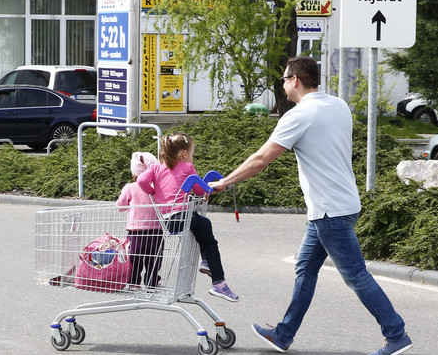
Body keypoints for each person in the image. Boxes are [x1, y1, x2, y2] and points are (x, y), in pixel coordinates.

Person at [208, 56, 412, 355]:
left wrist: (224, 182)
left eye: (284, 79)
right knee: (305, 268)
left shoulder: (300, 115)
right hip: (340, 204)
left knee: (356, 275)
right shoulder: (338, 105)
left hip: (330, 210)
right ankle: (283, 334)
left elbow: (261, 159)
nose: (283, 85)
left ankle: (396, 335)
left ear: (295, 80)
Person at [137, 132, 239, 302]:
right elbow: (199, 190)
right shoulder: (187, 167)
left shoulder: (156, 168)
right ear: (184, 154)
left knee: (202, 229)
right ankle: (218, 282)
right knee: (206, 230)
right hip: (182, 216)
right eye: (192, 153)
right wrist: (207, 191)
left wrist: (153, 192)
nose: (192, 157)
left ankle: (207, 264)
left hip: (169, 220)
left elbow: (141, 180)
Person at [116, 151, 161, 290]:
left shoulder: (129, 187)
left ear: (134, 173)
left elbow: (120, 207)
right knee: (154, 259)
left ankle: (134, 282)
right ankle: (152, 283)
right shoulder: (158, 188)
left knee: (135, 258)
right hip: (156, 231)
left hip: (135, 231)